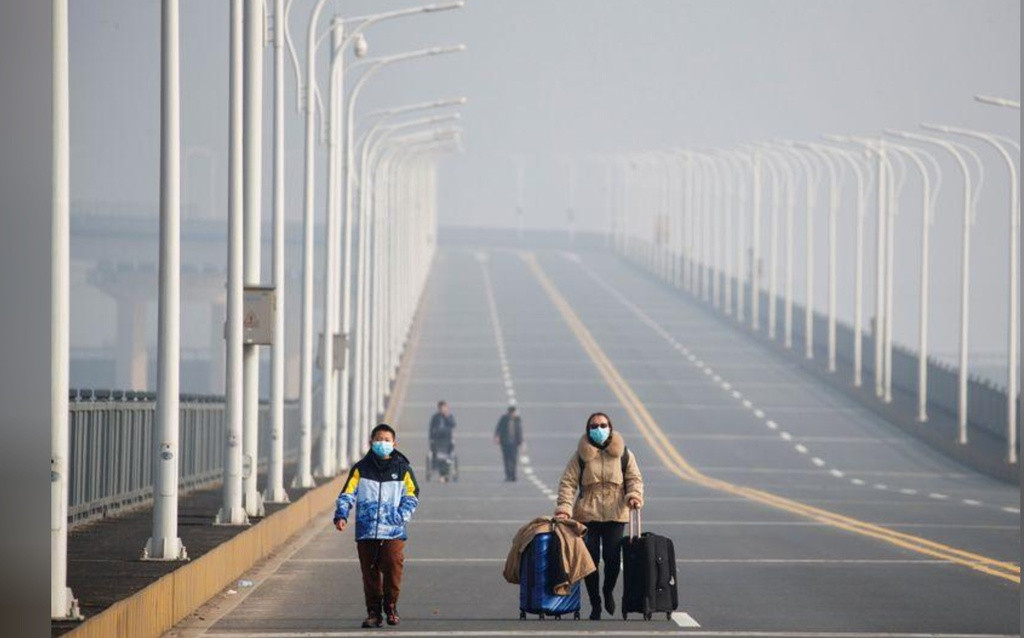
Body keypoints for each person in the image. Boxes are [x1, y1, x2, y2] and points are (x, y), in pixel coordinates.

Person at [554, 412, 643, 620]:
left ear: (610, 428)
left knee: (612, 560)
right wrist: (564, 507)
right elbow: (568, 483)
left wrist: (634, 496)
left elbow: (634, 478)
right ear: (588, 429)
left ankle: (607, 590)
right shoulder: (580, 456)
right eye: (594, 426)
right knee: (590, 561)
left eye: (603, 425)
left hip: (615, 514)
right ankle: (595, 603)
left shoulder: (624, 454)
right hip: (587, 515)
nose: (599, 429)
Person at [334, 423, 420, 628]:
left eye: (387, 440)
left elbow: (412, 494)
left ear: (394, 443)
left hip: (393, 531)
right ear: (371, 442)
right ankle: (373, 613)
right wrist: (341, 515)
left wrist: (401, 516)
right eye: (379, 439)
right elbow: (347, 493)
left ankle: (391, 607)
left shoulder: (402, 469)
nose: (383, 443)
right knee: (370, 573)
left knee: (392, 567)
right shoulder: (360, 469)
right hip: (366, 530)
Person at [493, 405, 524, 481]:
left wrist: (521, 442)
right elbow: (499, 428)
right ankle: (508, 475)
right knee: (506, 459)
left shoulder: (517, 420)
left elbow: (519, 431)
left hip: (514, 443)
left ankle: (513, 475)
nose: (512, 414)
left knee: (513, 459)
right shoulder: (504, 419)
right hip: (505, 443)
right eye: (511, 412)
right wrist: (497, 437)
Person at [428, 400, 456, 481]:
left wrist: (447, 417)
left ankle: (445, 474)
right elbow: (431, 429)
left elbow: (453, 424)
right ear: (439, 408)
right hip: (437, 440)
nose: (444, 409)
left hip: (447, 440)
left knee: (447, 457)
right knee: (439, 456)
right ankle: (442, 475)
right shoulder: (435, 417)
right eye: (442, 408)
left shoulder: (449, 416)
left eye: (445, 408)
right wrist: (431, 439)